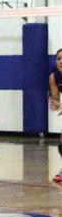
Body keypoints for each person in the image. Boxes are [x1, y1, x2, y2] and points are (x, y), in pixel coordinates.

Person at [48, 48, 62, 183]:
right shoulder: (54, 77)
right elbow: (55, 99)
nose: (61, 61)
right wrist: (54, 104)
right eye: (58, 58)